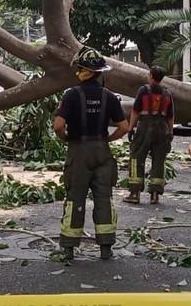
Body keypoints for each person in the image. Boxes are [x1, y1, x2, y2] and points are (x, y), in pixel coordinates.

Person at [53, 46, 130, 261]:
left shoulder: (71, 95)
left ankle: (68, 248)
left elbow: (58, 125)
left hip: (79, 151)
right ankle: (106, 248)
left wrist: (65, 138)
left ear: (81, 70)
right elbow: (124, 127)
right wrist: (108, 139)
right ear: (100, 73)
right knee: (104, 198)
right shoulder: (110, 97)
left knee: (75, 198)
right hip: (102, 152)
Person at [124, 65, 175, 205]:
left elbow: (135, 111)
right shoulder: (167, 93)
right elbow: (170, 116)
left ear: (151, 76)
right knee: (159, 160)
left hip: (145, 128)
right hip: (161, 129)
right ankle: (154, 195)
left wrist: (130, 128)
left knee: (136, 158)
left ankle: (134, 193)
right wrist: (170, 132)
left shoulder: (143, 91)